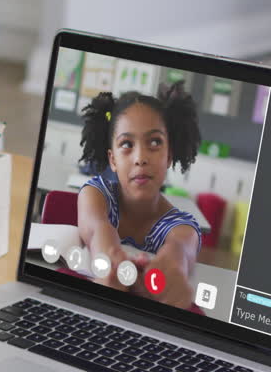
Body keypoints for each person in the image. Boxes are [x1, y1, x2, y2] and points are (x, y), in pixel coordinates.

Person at [76, 84, 202, 309]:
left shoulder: (183, 226)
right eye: (127, 144)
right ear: (112, 160)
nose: (140, 158)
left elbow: (181, 249)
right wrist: (109, 260)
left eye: (154, 142)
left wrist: (173, 270)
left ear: (169, 156)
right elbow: (98, 229)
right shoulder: (96, 194)